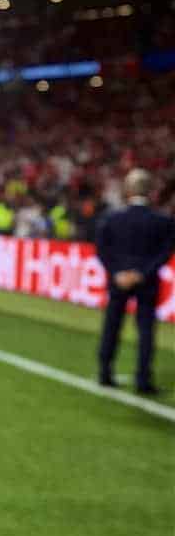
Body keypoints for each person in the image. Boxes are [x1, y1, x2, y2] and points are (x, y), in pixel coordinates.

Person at [95, 168, 175, 395]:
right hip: (147, 282)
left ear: (128, 190)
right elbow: (165, 252)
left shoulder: (112, 218)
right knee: (146, 330)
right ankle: (143, 379)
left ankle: (104, 371)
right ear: (150, 191)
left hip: (118, 281)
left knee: (112, 325)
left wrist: (117, 273)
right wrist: (142, 273)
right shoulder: (163, 221)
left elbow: (102, 250)